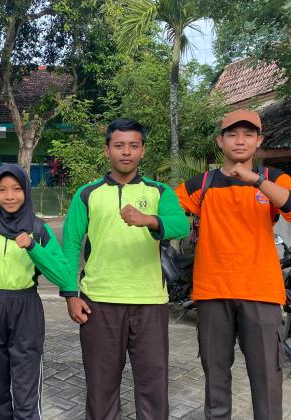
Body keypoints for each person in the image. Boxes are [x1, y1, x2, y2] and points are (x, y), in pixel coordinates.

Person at [175, 109, 291, 420]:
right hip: (213, 292)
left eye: (248, 135)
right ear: (220, 141)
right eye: (232, 135)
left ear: (259, 140)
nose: (240, 141)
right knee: (216, 377)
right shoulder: (201, 184)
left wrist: (256, 181)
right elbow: (169, 211)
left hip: (261, 292)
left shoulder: (274, 179)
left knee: (267, 378)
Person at [62, 118, 190, 419]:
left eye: (134, 145)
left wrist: (149, 220)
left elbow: (181, 225)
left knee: (153, 384)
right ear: (107, 150)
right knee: (101, 385)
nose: (126, 152)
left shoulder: (159, 192)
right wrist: (70, 294)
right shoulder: (87, 193)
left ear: (143, 150)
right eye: (119, 145)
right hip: (99, 301)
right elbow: (69, 245)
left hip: (149, 301)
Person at [0, 163, 77, 419]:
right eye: (2, 190)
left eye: (16, 189)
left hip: (26, 310)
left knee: (26, 391)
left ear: (26, 190)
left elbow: (64, 276)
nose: (9, 196)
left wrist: (33, 246)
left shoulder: (39, 229)